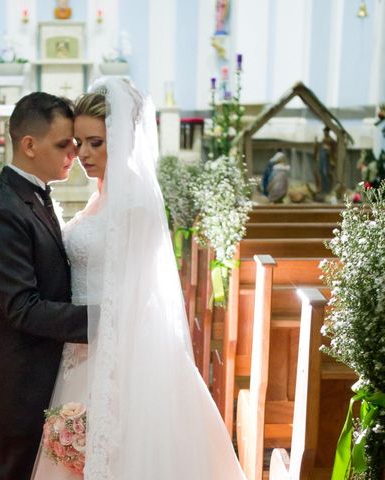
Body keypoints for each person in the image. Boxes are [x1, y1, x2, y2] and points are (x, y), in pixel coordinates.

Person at [32, 78, 246, 479]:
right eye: (79, 143)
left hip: (121, 356)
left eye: (96, 142)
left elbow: (136, 299)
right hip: (78, 351)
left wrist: (106, 378)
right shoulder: (99, 198)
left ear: (125, 137)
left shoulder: (137, 209)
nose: (83, 154)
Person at [0, 92, 88, 480]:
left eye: (75, 144)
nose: (73, 154)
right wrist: (106, 320)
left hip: (42, 379)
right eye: (62, 145)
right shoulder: (3, 211)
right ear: (29, 145)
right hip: (19, 388)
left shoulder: (30, 196)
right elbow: (24, 308)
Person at [314, 126, 337, 195]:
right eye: (324, 132)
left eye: (326, 132)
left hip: (327, 159)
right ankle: (323, 188)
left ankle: (327, 189)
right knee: (321, 172)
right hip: (322, 157)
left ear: (328, 132)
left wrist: (328, 150)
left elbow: (334, 150)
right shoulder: (324, 139)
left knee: (325, 173)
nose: (325, 133)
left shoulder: (331, 140)